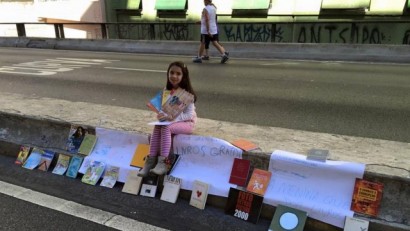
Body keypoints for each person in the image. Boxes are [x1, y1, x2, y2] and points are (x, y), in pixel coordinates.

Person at [138, 61, 197, 177]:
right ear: (168, 74)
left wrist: (172, 118)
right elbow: (165, 109)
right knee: (157, 126)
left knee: (165, 127)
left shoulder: (187, 93)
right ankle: (151, 161)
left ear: (183, 76)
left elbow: (190, 115)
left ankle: (164, 162)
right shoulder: (167, 90)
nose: (174, 76)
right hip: (172, 121)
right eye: (172, 72)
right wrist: (161, 114)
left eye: (178, 74)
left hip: (187, 123)